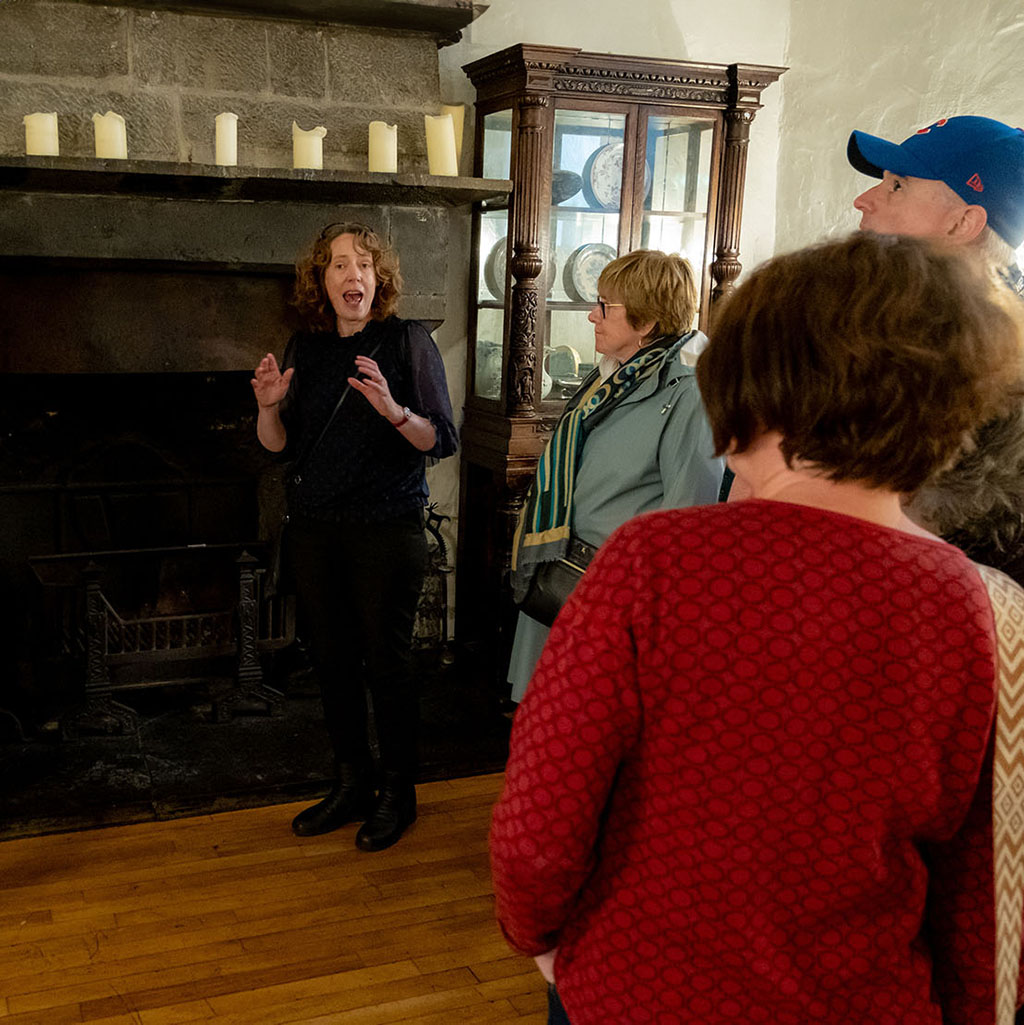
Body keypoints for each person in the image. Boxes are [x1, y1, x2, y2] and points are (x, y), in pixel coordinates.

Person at [490, 233, 1024, 1025]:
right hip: (865, 998)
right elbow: (983, 882)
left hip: (643, 987)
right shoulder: (987, 607)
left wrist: (542, 942)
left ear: (755, 389)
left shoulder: (653, 562)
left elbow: (542, 820)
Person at [252, 222, 457, 852]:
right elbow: (281, 450)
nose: (352, 276)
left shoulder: (405, 341)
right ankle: (351, 784)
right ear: (323, 280)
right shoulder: (306, 348)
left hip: (386, 530)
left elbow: (438, 440)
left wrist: (394, 410)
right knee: (333, 665)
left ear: (379, 279)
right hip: (317, 531)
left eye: (364, 265)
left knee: (386, 664)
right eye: (339, 265)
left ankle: (399, 792)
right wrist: (267, 407)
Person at [507, 249, 723, 702]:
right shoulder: (612, 377)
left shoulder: (689, 392)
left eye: (606, 306)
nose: (592, 316)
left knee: (590, 732)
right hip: (565, 574)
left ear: (645, 323)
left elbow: (687, 526)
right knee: (551, 723)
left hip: (615, 599)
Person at [847, 114, 1024, 583]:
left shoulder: (1003, 358)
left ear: (963, 221)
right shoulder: (877, 324)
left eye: (898, 186)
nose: (863, 200)